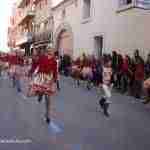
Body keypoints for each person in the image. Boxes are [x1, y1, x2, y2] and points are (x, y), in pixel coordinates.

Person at [28, 48, 57, 124]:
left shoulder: (54, 61)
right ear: (47, 51)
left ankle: (47, 114)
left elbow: (55, 71)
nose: (50, 52)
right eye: (49, 50)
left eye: (52, 51)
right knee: (40, 92)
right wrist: (31, 71)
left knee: (48, 97)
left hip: (48, 79)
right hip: (41, 77)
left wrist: (55, 79)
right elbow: (35, 64)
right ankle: (40, 95)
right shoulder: (41, 57)